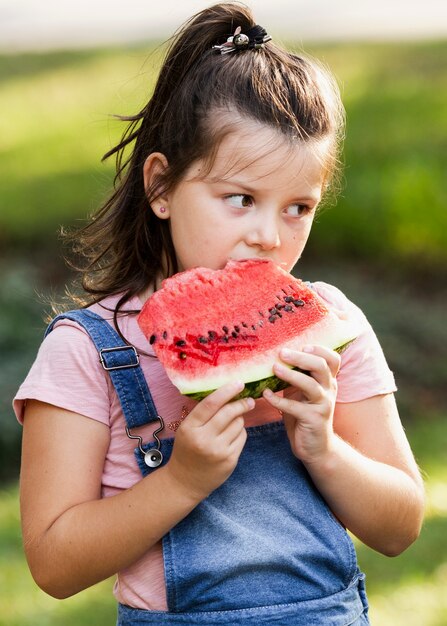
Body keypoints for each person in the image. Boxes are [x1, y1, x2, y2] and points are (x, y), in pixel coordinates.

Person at [15, 3, 425, 625]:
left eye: (298, 208)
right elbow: (53, 563)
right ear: (160, 187)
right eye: (241, 199)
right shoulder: (88, 351)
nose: (268, 236)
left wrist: (325, 450)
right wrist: (181, 480)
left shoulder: (331, 326)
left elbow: (400, 528)